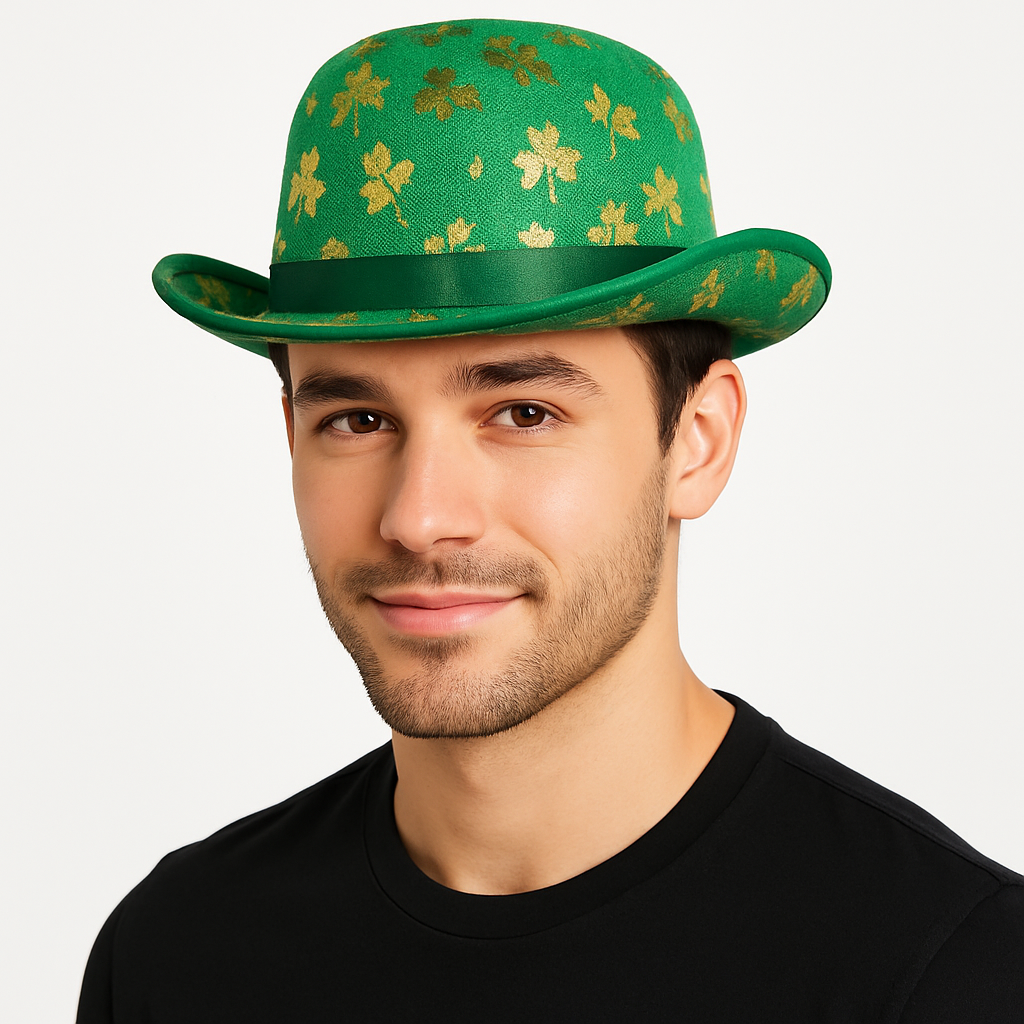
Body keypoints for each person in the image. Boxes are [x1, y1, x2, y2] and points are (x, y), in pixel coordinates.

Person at [76, 17, 1023, 1022]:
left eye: (524, 414)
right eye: (357, 420)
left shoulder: (949, 973)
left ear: (697, 441)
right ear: (289, 436)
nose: (419, 517)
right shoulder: (180, 953)